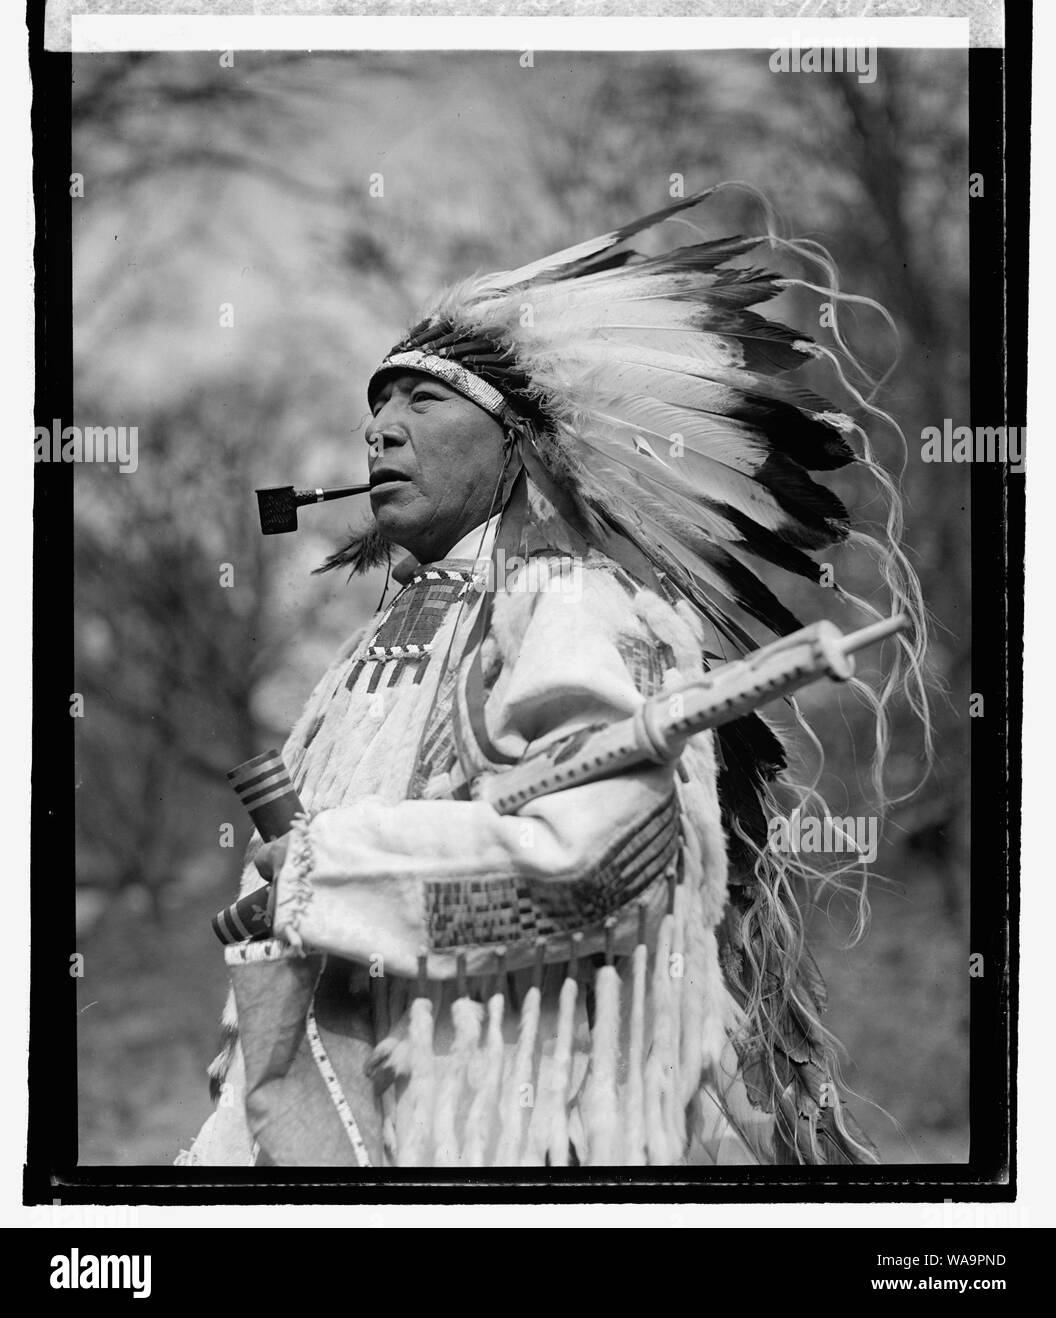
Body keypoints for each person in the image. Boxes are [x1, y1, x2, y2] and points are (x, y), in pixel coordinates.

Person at [179, 189, 924, 1168]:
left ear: (520, 443)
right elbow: (309, 889)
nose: (381, 430)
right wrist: (272, 926)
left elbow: (602, 865)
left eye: (424, 399)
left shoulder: (567, 605)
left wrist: (328, 873)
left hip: (515, 1133)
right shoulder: (360, 662)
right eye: (375, 407)